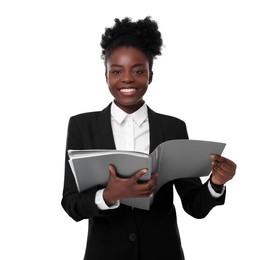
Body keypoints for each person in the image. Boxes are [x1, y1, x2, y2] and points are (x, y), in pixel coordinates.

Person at [61, 17, 236, 260]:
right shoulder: (82, 125)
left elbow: (194, 206)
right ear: (106, 76)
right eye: (116, 71)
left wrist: (216, 184)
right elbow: (71, 205)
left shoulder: (173, 127)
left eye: (138, 71)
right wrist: (109, 195)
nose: (127, 79)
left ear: (150, 75)